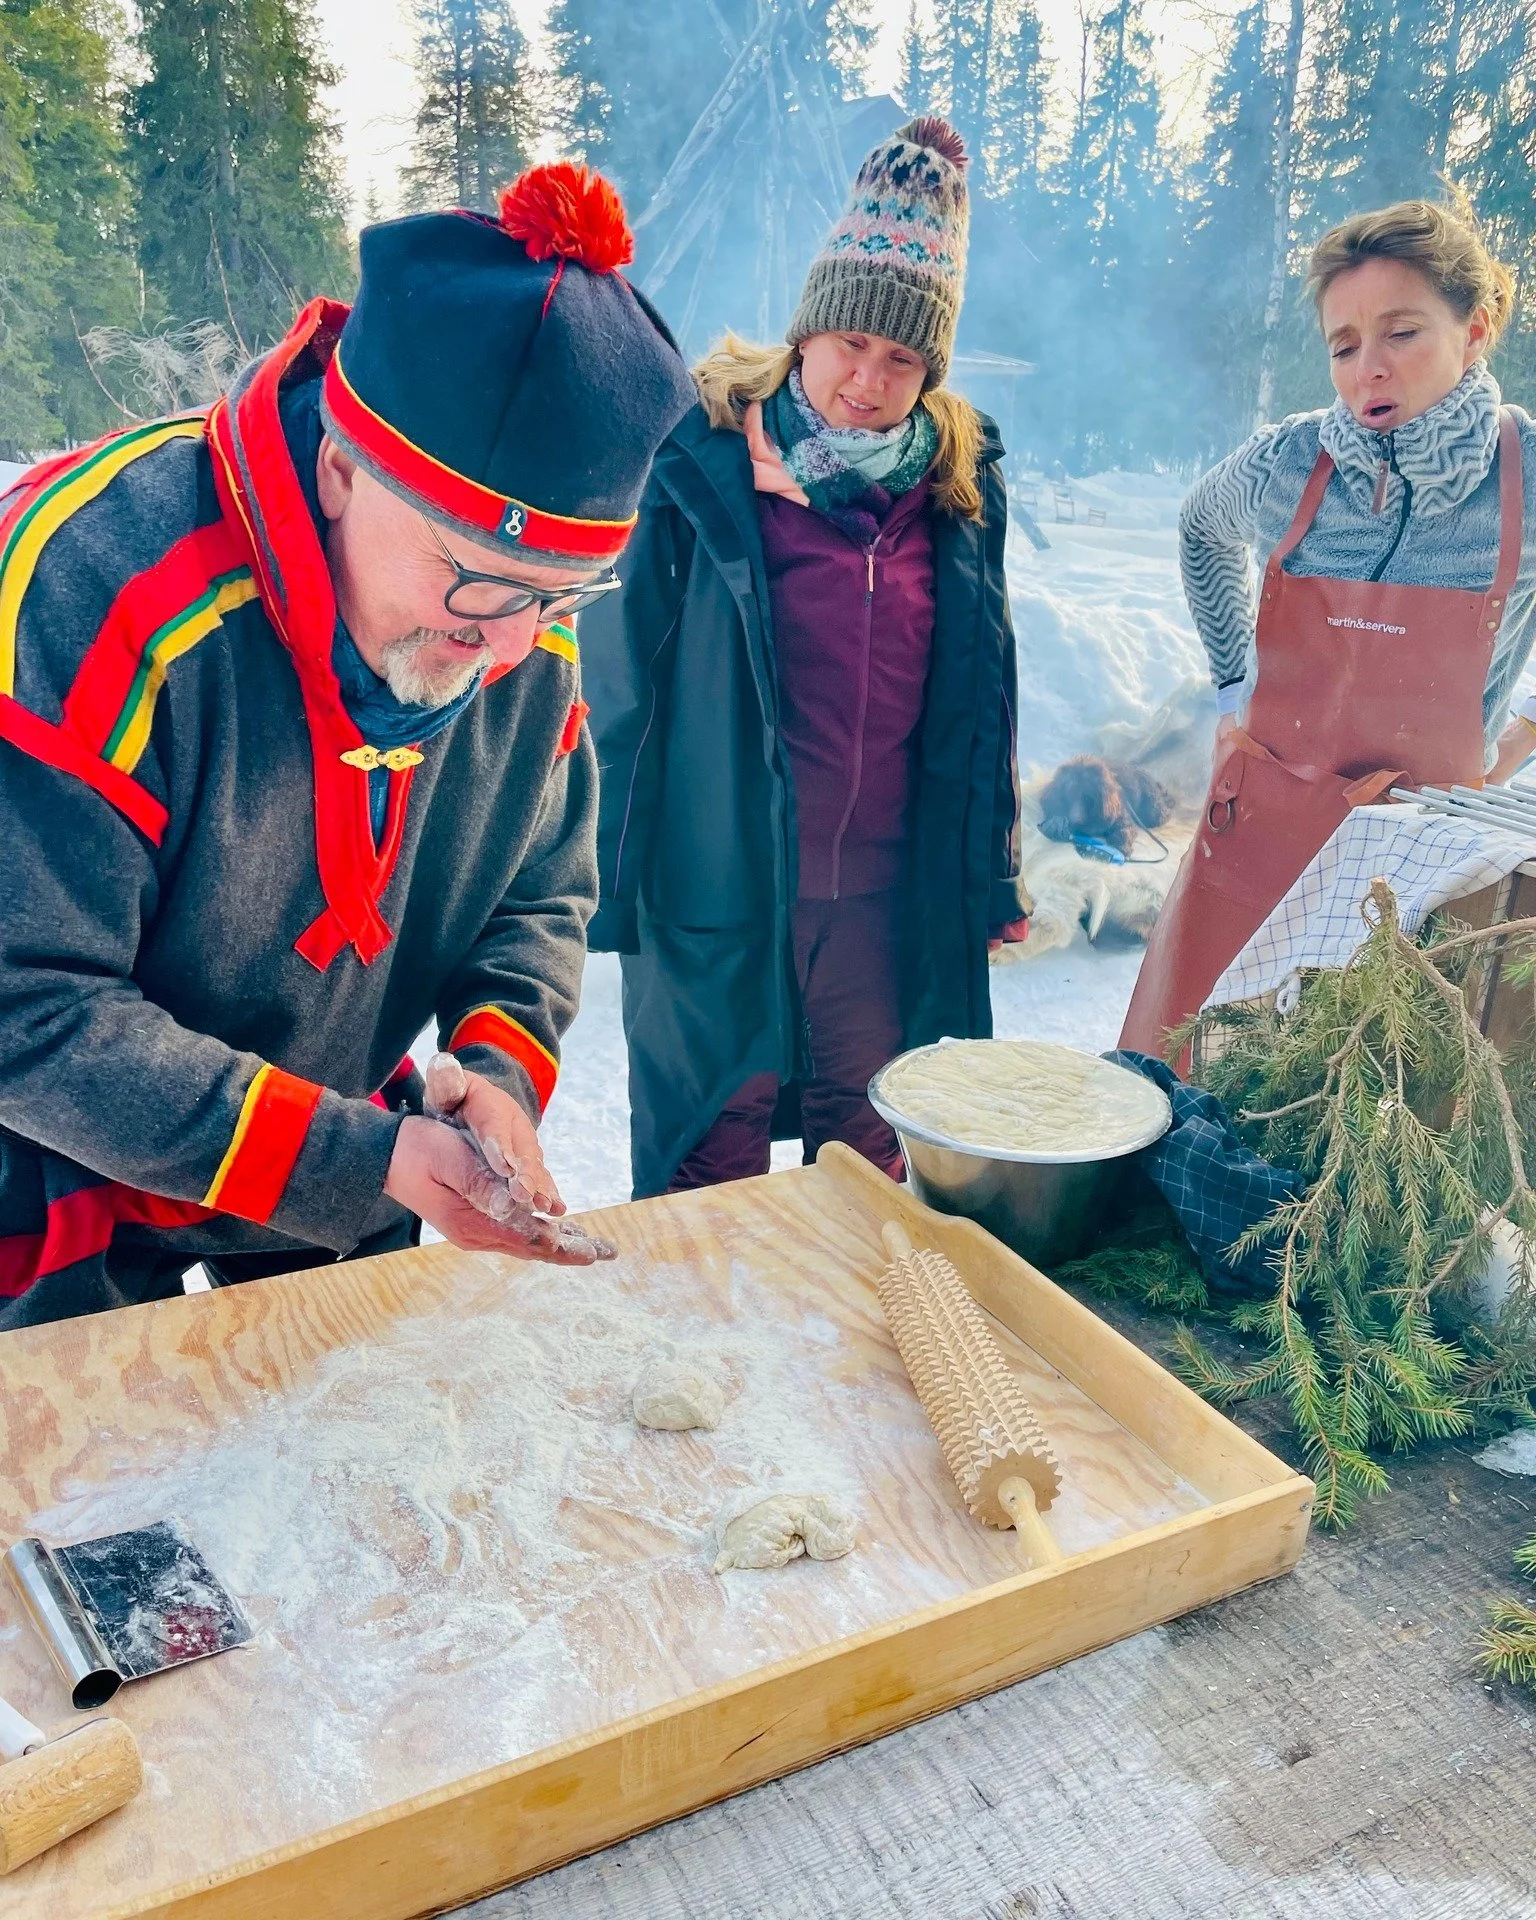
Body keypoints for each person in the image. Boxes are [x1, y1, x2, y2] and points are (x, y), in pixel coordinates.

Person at [0, 163, 697, 1328]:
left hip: (338, 1151)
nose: (510, 644)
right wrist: (355, 1154)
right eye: (475, 577)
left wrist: (499, 1074)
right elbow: (26, 1004)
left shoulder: (518, 627)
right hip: (65, 1174)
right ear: (338, 465)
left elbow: (540, 895)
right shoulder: (86, 585)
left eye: (563, 593)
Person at [584, 116, 1031, 1199]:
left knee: (868, 1152)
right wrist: (607, 868)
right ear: (807, 330)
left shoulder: (958, 493)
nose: (867, 381)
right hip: (722, 882)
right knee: (710, 1163)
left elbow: (985, 695)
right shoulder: (703, 460)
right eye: (850, 345)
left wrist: (996, 871)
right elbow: (621, 680)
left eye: (901, 357)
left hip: (883, 897)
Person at [1121, 197, 1536, 1061]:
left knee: (1358, 1112)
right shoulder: (1290, 460)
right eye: (1344, 346)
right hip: (1258, 833)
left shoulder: (1526, 476)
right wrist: (1237, 681)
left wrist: (1519, 741)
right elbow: (1201, 526)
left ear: (1478, 326)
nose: (1367, 370)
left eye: (1402, 333)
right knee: (1190, 1078)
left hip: (1417, 871)